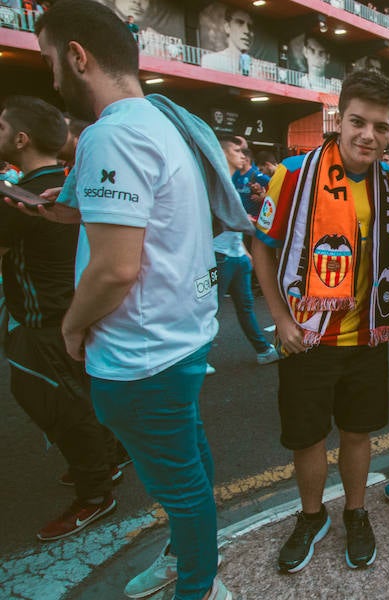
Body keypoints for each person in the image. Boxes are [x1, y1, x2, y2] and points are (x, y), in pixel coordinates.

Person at [32, 2, 253, 598]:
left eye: (52, 61)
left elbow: (113, 269)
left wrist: (72, 329)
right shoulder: (163, 122)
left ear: (78, 56)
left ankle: (199, 587)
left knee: (180, 486)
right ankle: (187, 559)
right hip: (178, 339)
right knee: (190, 468)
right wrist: (71, 208)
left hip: (142, 354)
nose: (51, 77)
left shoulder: (114, 133)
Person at [252, 69, 389, 574]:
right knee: (307, 438)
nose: (368, 136)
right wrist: (279, 318)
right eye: (358, 122)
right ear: (340, 119)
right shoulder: (293, 173)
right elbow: (262, 247)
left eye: (380, 127)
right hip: (308, 336)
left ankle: (356, 513)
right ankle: (312, 516)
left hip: (367, 335)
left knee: (359, 434)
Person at [0, 95, 120, 542]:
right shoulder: (66, 185)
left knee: (57, 403)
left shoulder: (21, 199)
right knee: (81, 396)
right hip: (72, 308)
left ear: (22, 139)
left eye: (1, 127)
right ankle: (105, 460)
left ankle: (95, 493)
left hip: (46, 319)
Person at [210, 137, 277, 368]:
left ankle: (263, 349)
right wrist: (249, 224)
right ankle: (195, 358)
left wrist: (243, 250)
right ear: (222, 151)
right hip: (218, 256)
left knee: (245, 305)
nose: (243, 155)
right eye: (237, 150)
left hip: (236, 255)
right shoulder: (215, 182)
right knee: (209, 307)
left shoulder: (234, 179)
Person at [200, 7, 254, 73]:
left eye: (250, 26)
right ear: (227, 27)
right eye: (240, 23)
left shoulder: (257, 67)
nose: (247, 31)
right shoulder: (211, 60)